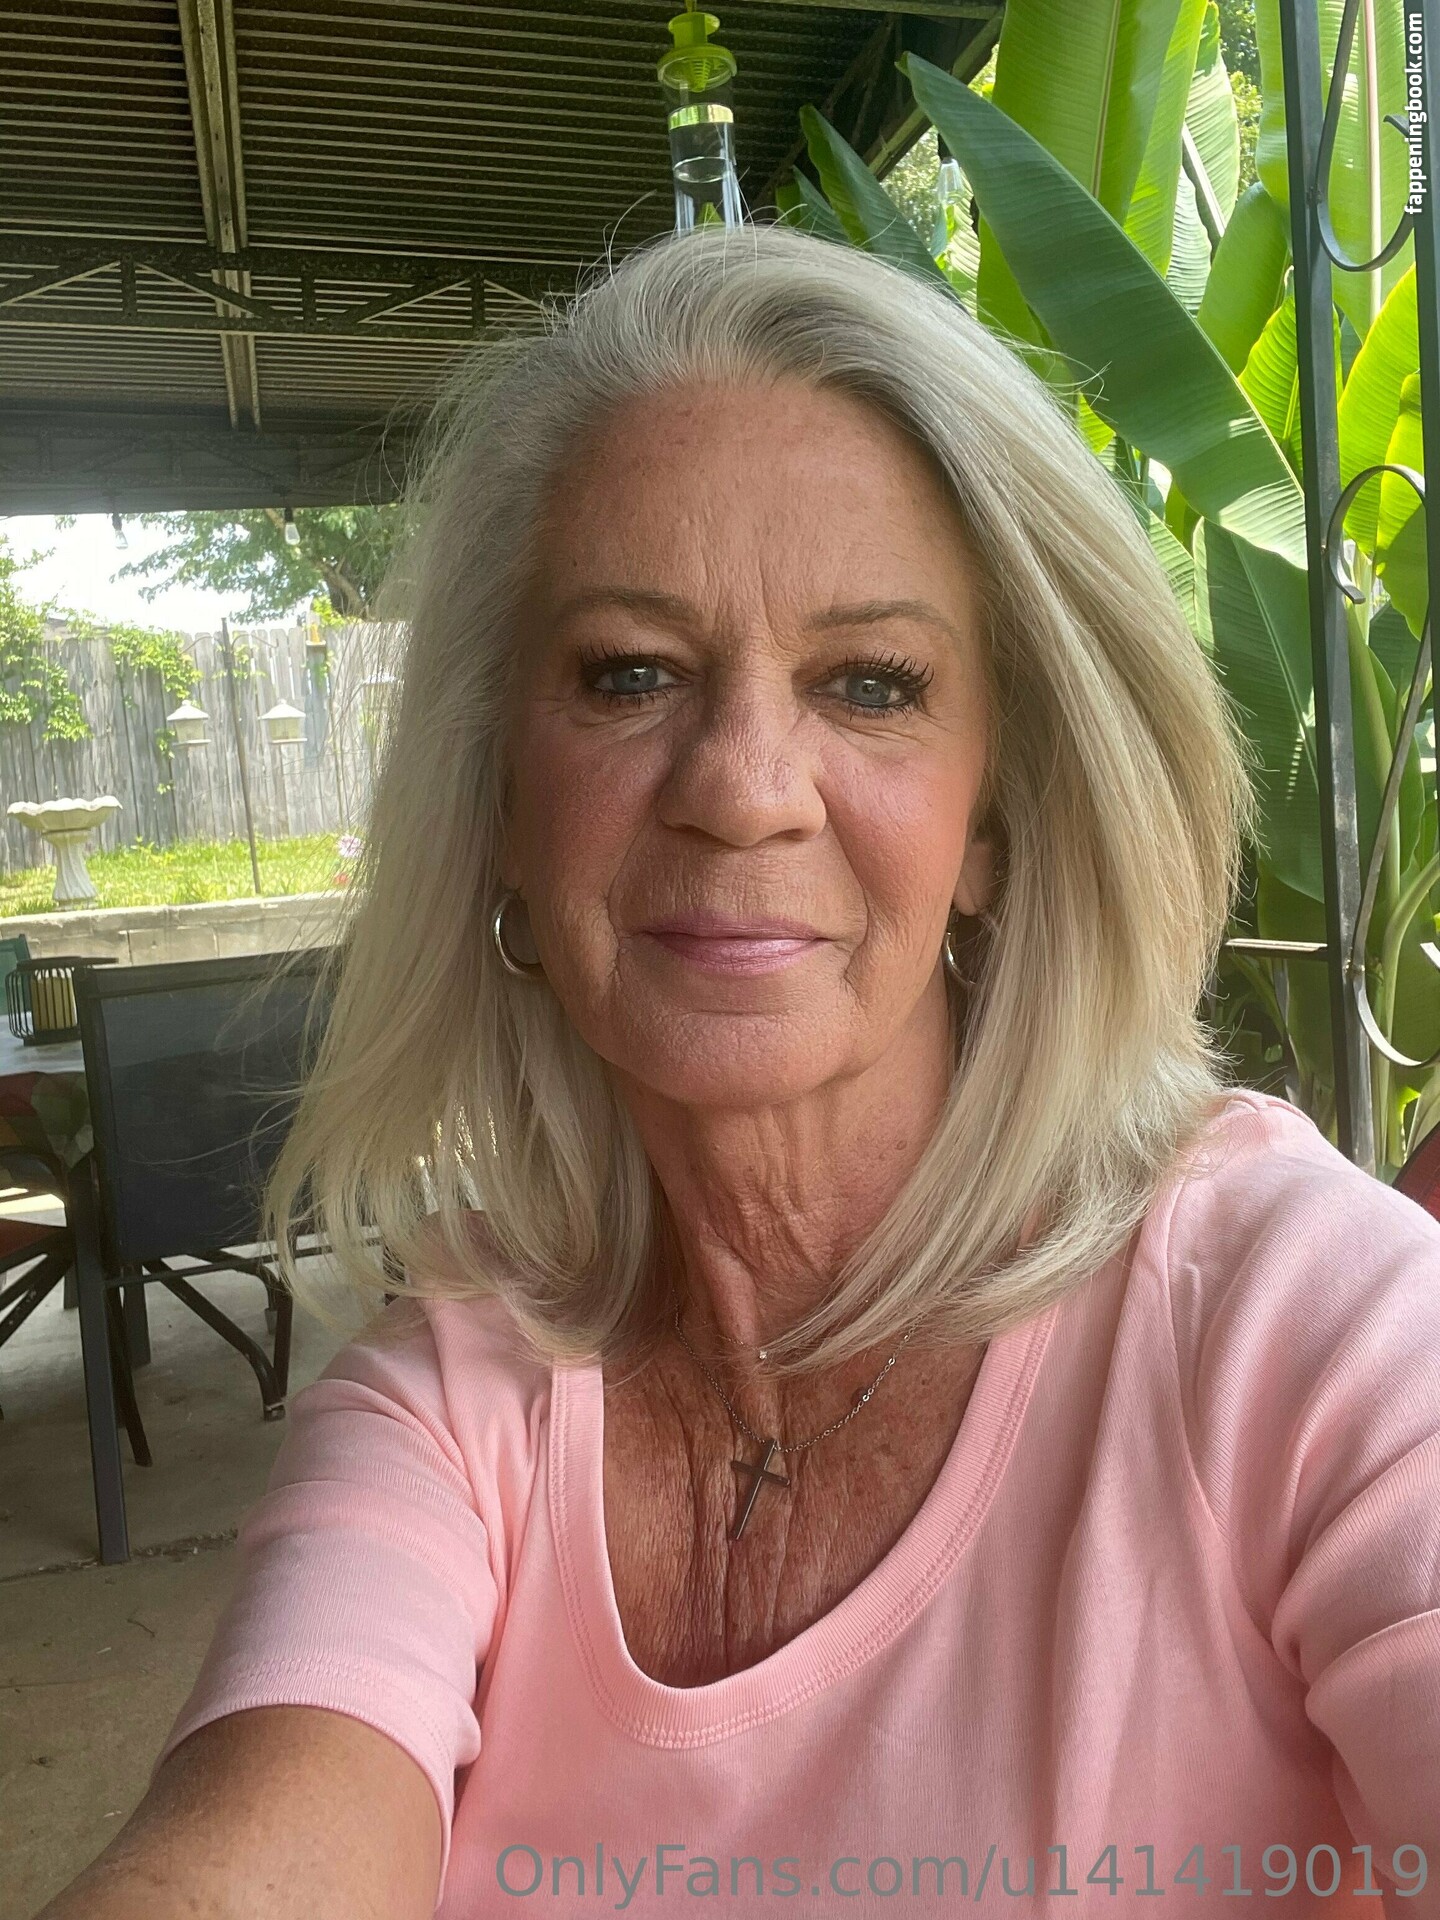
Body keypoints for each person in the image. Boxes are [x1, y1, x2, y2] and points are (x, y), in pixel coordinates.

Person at [38, 224, 1440, 1920]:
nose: (743, 787)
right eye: (630, 673)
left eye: (872, 685)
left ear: (990, 826)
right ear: (500, 803)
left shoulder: (1309, 1323)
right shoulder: (452, 1396)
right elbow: (242, 1854)